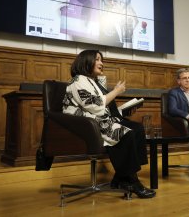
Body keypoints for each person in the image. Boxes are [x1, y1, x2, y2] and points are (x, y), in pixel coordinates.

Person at [62, 49, 155, 198]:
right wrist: (116, 91)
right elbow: (96, 106)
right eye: (97, 59)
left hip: (96, 119)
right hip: (84, 125)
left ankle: (120, 177)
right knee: (126, 134)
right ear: (86, 62)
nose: (101, 63)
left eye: (101, 60)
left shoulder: (91, 81)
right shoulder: (78, 81)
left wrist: (122, 111)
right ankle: (132, 181)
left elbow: (102, 108)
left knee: (137, 128)